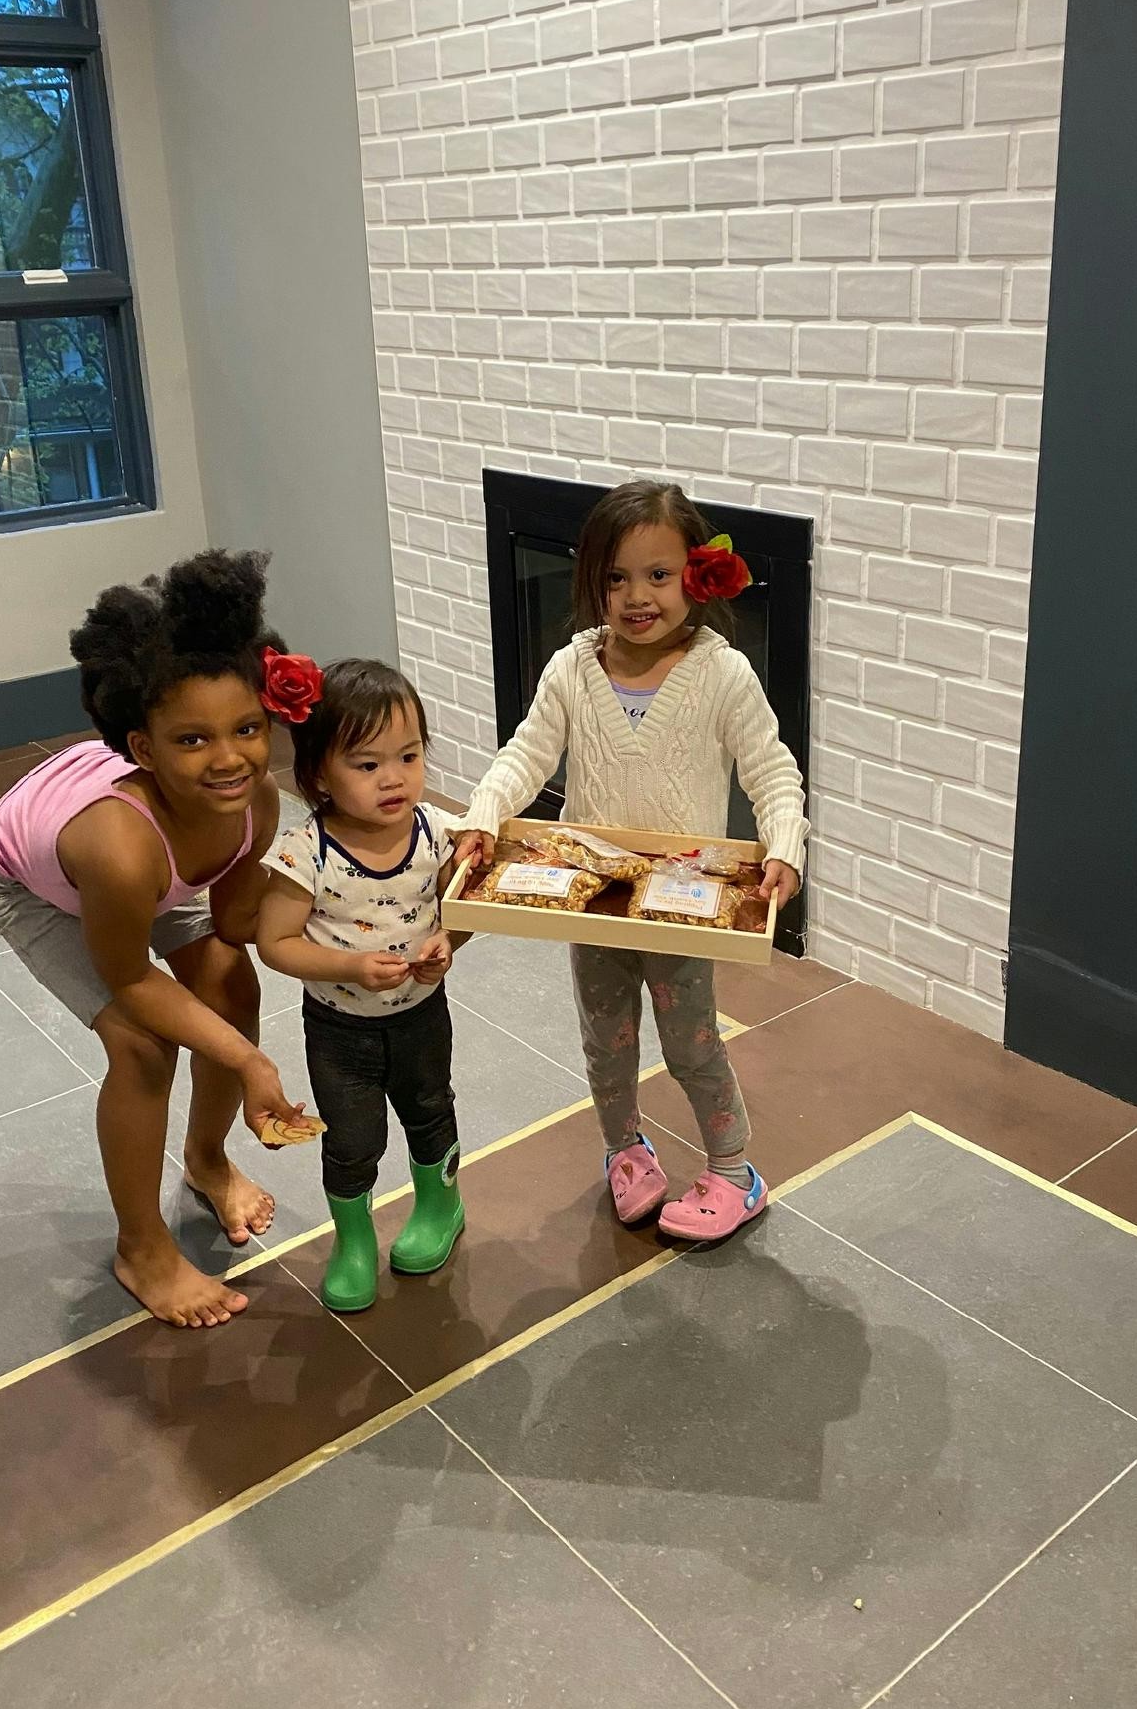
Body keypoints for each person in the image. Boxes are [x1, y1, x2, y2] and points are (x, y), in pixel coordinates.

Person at [455, 479, 808, 1242]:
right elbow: (527, 753)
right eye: (616, 577)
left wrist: (785, 843)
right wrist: (483, 812)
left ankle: (734, 1170)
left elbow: (773, 770)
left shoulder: (722, 673)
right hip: (593, 896)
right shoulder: (572, 668)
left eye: (658, 574)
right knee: (605, 1038)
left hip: (683, 902)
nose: (636, 596)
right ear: (592, 582)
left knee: (693, 1041)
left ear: (698, 577)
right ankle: (625, 1150)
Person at [0, 551, 311, 1328]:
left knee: (231, 987)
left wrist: (350, 913)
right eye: (193, 740)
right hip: (44, 884)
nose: (229, 757)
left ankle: (207, 1161)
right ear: (145, 748)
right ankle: (142, 1247)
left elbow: (230, 923)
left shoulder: (253, 800)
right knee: (141, 1045)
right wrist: (251, 1060)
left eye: (247, 729)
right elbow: (129, 977)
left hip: (168, 864)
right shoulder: (117, 851)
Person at [256, 660, 465, 1313]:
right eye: (367, 765)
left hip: (421, 1016)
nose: (394, 777)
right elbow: (275, 944)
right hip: (340, 1030)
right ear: (320, 773)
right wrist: (350, 966)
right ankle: (352, 1243)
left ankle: (440, 1205)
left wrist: (446, 945)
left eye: (408, 755)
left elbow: (463, 911)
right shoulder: (306, 852)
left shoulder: (436, 832)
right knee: (351, 1139)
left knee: (430, 1108)